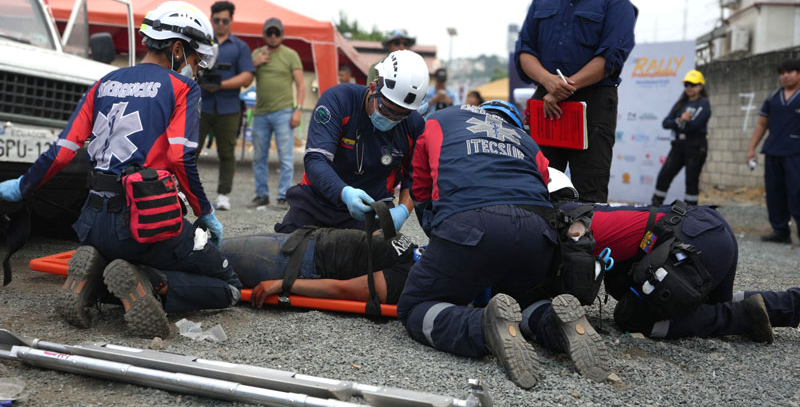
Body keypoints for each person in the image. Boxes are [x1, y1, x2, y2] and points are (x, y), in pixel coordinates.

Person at [0, 1, 242, 338]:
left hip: (91, 223)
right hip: (147, 223)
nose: (195, 69)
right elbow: (179, 159)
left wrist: (20, 188)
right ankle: (148, 282)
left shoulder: (104, 83)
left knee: (126, 252)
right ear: (176, 49)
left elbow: (61, 153)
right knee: (228, 285)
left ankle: (96, 277)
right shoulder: (183, 88)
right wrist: (205, 212)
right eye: (194, 59)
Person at [398, 100, 612, 389]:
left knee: (413, 307)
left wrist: (441, 240)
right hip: (536, 234)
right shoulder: (526, 140)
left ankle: (483, 328)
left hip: (471, 224)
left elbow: (421, 188)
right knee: (524, 302)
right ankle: (554, 321)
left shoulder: (439, 120)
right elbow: (545, 185)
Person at [556, 201, 797, 343]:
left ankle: (741, 317)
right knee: (712, 306)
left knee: (633, 319)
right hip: (709, 228)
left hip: (690, 246)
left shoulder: (567, 227)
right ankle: (792, 303)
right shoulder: (585, 211)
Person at [514, 0, 636, 203]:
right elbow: (524, 51)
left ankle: (585, 245)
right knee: (537, 183)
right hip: (546, 100)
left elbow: (610, 58)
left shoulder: (616, 3)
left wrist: (564, 87)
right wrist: (548, 82)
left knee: (589, 190)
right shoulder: (543, 0)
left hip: (591, 106)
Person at [274, 50, 427, 235]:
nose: (392, 119)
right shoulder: (339, 101)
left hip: (372, 209)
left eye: (401, 115)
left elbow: (415, 177)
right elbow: (315, 160)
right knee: (287, 252)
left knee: (382, 260)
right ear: (372, 88)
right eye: (387, 110)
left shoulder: (414, 125)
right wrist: (344, 193)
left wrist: (402, 211)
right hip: (318, 201)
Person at [220, 229, 417, 307]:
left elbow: (343, 290)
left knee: (204, 252)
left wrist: (283, 283)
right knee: (209, 245)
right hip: (303, 240)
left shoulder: (405, 279)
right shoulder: (419, 255)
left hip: (296, 265)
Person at [197, 0, 256, 212]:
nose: (221, 23)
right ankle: (184, 192)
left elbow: (247, 77)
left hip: (229, 107)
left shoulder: (240, 47)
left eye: (225, 20)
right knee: (190, 149)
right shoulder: (201, 43)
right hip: (200, 104)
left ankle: (223, 194)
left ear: (231, 20)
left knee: (227, 152)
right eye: (217, 20)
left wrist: (220, 85)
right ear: (211, 19)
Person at [250, 17, 305, 209]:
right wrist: (254, 63)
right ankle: (262, 195)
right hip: (260, 112)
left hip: (284, 112)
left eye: (277, 33)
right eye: (269, 33)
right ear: (264, 34)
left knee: (286, 157)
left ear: (282, 34)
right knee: (259, 156)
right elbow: (245, 79)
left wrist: (298, 110)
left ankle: (283, 196)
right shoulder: (256, 54)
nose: (273, 36)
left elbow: (300, 85)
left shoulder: (291, 55)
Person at [746, 59, 800, 244]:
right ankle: (780, 231)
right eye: (782, 72)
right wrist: (751, 148)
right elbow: (762, 123)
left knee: (797, 192)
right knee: (774, 192)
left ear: (799, 73)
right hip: (773, 151)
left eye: (790, 71)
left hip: (796, 154)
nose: (785, 75)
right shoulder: (773, 98)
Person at [651, 70, 711, 206]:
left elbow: (694, 125)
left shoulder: (703, 103)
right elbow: (666, 123)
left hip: (696, 145)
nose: (689, 87)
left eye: (693, 84)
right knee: (663, 177)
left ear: (700, 86)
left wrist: (679, 123)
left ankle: (690, 215)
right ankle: (654, 211)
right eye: (686, 84)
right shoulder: (681, 103)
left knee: (691, 182)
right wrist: (680, 120)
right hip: (678, 145)